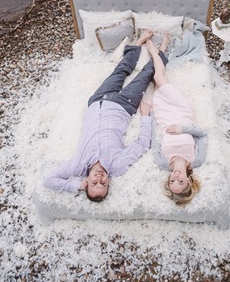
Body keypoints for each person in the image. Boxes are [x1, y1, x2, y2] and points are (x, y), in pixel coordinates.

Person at [43, 30, 170, 202]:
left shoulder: (78, 166)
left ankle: (138, 44)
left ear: (86, 182)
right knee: (147, 75)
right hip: (123, 106)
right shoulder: (117, 166)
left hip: (97, 101)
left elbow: (48, 180)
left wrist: (76, 187)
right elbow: (141, 144)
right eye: (103, 184)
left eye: (94, 184)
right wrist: (145, 116)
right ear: (108, 183)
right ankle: (162, 49)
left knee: (121, 70)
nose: (99, 180)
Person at [146, 39, 208, 206]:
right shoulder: (196, 159)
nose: (176, 177)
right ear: (189, 182)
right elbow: (202, 134)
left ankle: (162, 49)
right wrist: (182, 129)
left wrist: (149, 114)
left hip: (163, 115)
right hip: (182, 112)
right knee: (158, 76)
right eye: (181, 182)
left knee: (154, 80)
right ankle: (154, 49)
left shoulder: (162, 162)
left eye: (172, 181)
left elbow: (153, 139)